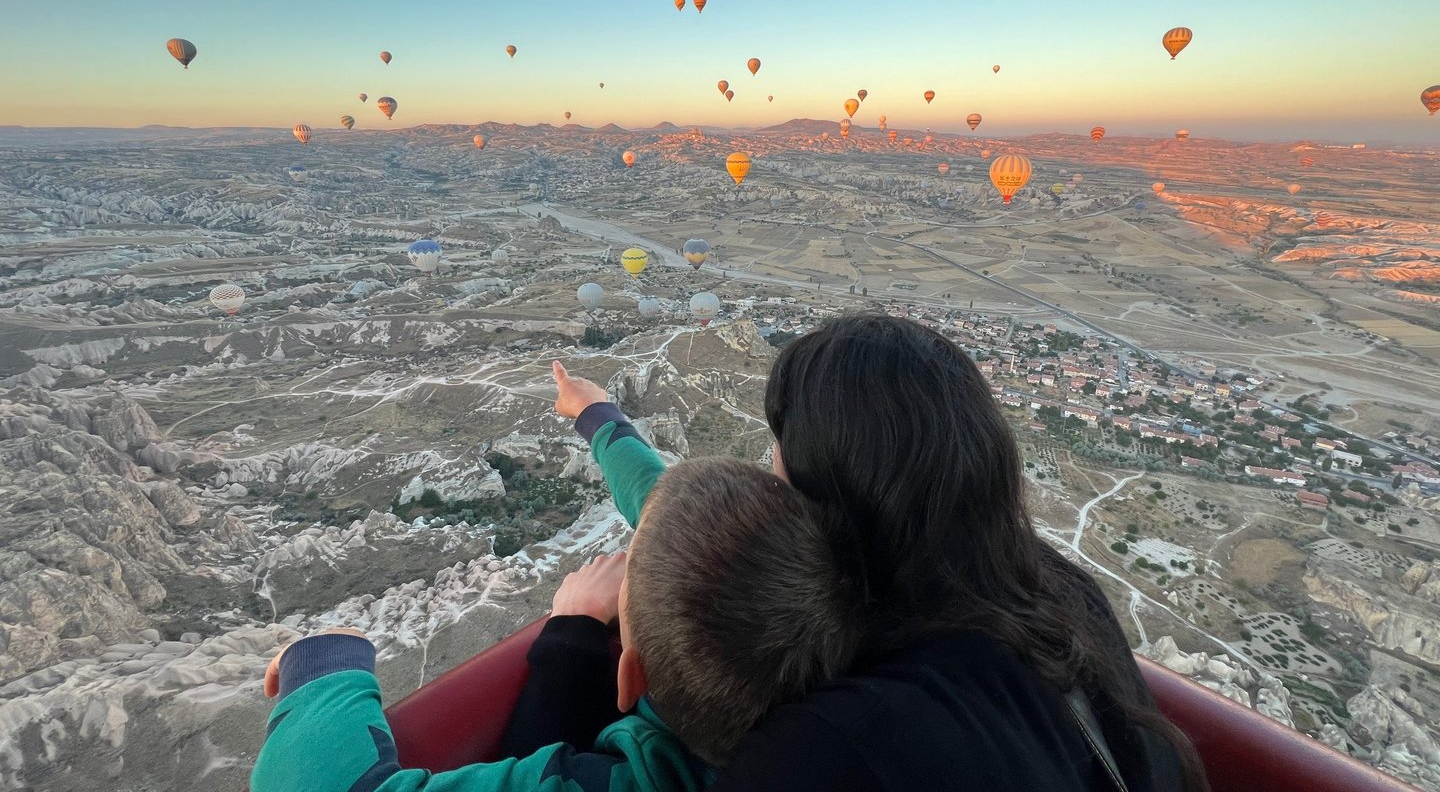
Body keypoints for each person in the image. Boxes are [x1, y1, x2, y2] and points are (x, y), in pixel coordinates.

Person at [550, 313, 1209, 792]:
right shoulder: (1053, 590)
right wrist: (602, 419)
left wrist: (570, 641)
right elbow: (695, 525)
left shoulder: (832, 745)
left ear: (831, 507)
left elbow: (720, 551)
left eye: (779, 460)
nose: (768, 479)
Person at [250, 458, 860, 792]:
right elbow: (688, 515)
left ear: (630, 677)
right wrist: (600, 422)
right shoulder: (861, 708)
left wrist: (324, 668)